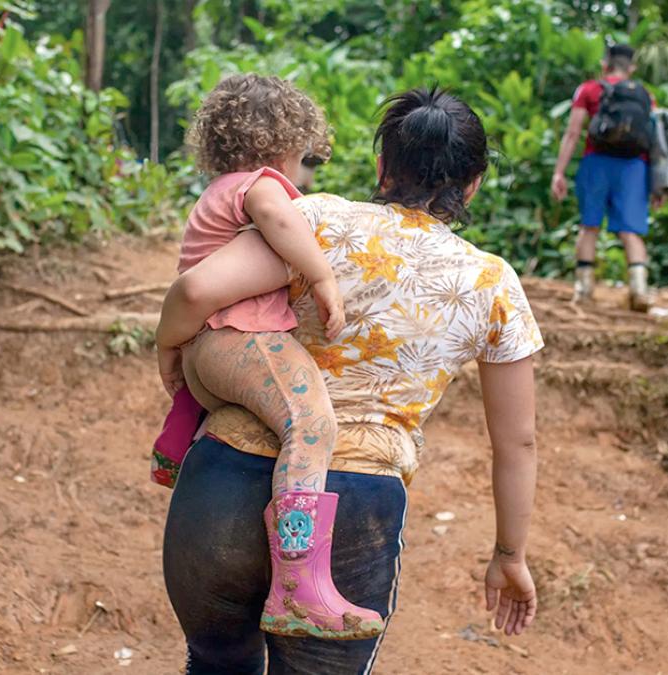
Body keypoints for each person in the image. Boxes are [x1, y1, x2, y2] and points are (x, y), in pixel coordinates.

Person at [158, 87, 543, 673]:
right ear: (472, 185)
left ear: (383, 166)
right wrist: (509, 555)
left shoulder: (312, 220)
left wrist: (174, 356)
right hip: (355, 507)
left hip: (221, 482)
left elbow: (198, 292)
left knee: (217, 662)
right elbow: (517, 442)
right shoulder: (493, 284)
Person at [151, 74, 391, 641]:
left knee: (270, 417)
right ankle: (297, 585)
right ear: (289, 140)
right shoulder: (262, 186)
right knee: (311, 424)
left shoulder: (217, 191)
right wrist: (322, 273)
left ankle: (177, 450)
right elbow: (282, 220)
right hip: (242, 338)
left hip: (210, 350)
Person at [551, 43, 657, 311]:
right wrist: (658, 185)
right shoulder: (645, 95)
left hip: (596, 164)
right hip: (634, 167)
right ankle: (639, 290)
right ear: (631, 67)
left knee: (589, 227)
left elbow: (573, 132)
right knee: (631, 231)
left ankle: (584, 290)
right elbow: (657, 142)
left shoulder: (589, 89)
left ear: (604, 64)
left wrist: (559, 172)